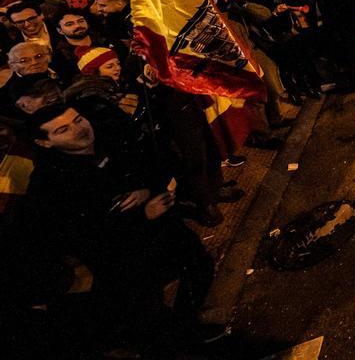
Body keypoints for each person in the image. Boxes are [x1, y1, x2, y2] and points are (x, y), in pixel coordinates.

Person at [17, 103, 226, 352]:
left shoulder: (112, 138)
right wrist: (142, 216)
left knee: (199, 267)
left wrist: (147, 189)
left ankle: (185, 324)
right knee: (147, 313)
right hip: (123, 259)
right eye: (63, 129)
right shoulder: (49, 184)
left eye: (79, 119)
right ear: (45, 143)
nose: (79, 129)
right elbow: (77, 235)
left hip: (166, 233)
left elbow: (158, 163)